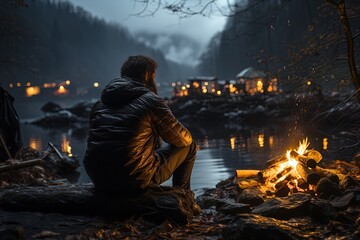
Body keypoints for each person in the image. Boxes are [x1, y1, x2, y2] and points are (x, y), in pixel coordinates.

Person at [83, 55, 197, 195]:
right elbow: (182, 139)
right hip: (133, 179)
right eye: (154, 76)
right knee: (190, 146)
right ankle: (183, 197)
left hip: (98, 178)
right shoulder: (151, 101)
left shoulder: (100, 104)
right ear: (148, 75)